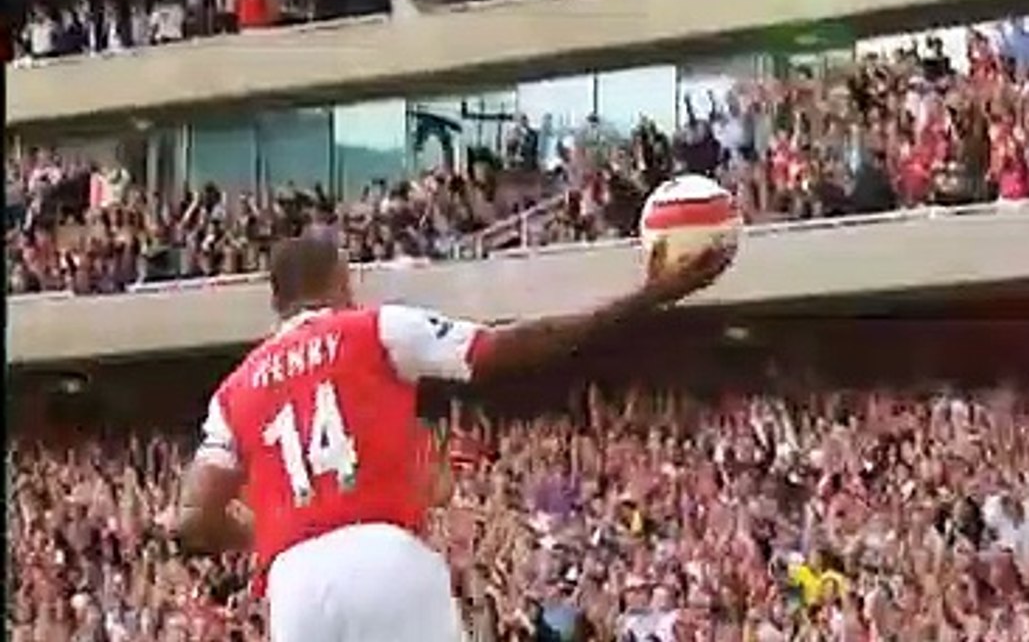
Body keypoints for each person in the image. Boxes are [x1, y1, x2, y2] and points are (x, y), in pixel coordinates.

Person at [172, 231, 733, 642]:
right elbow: (516, 345)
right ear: (341, 279)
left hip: (293, 582)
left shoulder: (235, 389)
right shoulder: (375, 327)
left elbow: (191, 521)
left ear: (277, 300)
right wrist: (648, 297)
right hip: (382, 552)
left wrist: (270, 530)